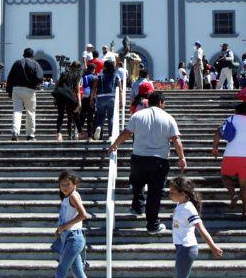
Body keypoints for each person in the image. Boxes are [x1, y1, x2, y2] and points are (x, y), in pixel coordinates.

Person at [107, 91, 187, 234]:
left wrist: (114, 145)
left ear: (148, 102)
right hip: (159, 161)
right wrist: (181, 158)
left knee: (137, 183)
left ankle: (138, 207)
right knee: (154, 194)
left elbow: (126, 133)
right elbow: (176, 140)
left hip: (139, 158)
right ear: (162, 103)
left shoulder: (137, 115)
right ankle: (152, 225)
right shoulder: (168, 118)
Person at [32, 171, 98, 278]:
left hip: (74, 238)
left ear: (74, 184)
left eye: (68, 184)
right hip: (71, 237)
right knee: (78, 272)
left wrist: (63, 227)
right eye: (62, 185)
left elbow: (83, 215)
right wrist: (61, 230)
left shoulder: (73, 196)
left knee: (61, 271)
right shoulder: (68, 197)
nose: (65, 187)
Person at [166, 176, 223, 278]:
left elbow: (201, 228)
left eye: (173, 191)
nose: (170, 194)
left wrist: (213, 246)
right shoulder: (181, 205)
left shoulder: (189, 208)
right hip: (181, 247)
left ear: (183, 193)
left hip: (187, 248)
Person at [211, 102, 246, 219]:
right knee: (244, 185)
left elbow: (218, 132)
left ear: (236, 111)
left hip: (230, 155)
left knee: (225, 176)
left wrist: (215, 147)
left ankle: (233, 194)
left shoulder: (231, 119)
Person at [5, 47, 44, 141]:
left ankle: (15, 131)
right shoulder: (35, 64)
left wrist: (9, 91)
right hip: (29, 90)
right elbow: (40, 77)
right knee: (30, 112)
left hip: (17, 89)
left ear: (23, 54)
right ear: (32, 55)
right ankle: (30, 135)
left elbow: (10, 78)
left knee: (17, 111)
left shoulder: (17, 63)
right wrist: (34, 83)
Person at [93, 59, 123, 140]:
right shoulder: (117, 76)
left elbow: (94, 89)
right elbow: (120, 90)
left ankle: (99, 127)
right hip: (111, 98)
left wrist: (91, 99)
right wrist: (121, 101)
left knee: (100, 116)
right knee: (111, 117)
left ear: (105, 66)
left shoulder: (99, 76)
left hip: (100, 97)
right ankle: (110, 135)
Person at [52, 66, 80, 142]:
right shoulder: (74, 76)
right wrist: (79, 102)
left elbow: (57, 87)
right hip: (69, 97)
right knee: (73, 114)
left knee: (60, 115)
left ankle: (59, 135)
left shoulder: (61, 77)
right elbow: (76, 89)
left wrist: (55, 99)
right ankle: (78, 132)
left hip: (60, 97)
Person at [79, 63, 97, 140]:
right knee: (90, 118)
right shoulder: (94, 77)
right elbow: (95, 89)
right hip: (91, 98)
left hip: (83, 97)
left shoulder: (83, 77)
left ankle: (79, 133)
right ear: (93, 69)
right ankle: (90, 136)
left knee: (82, 116)